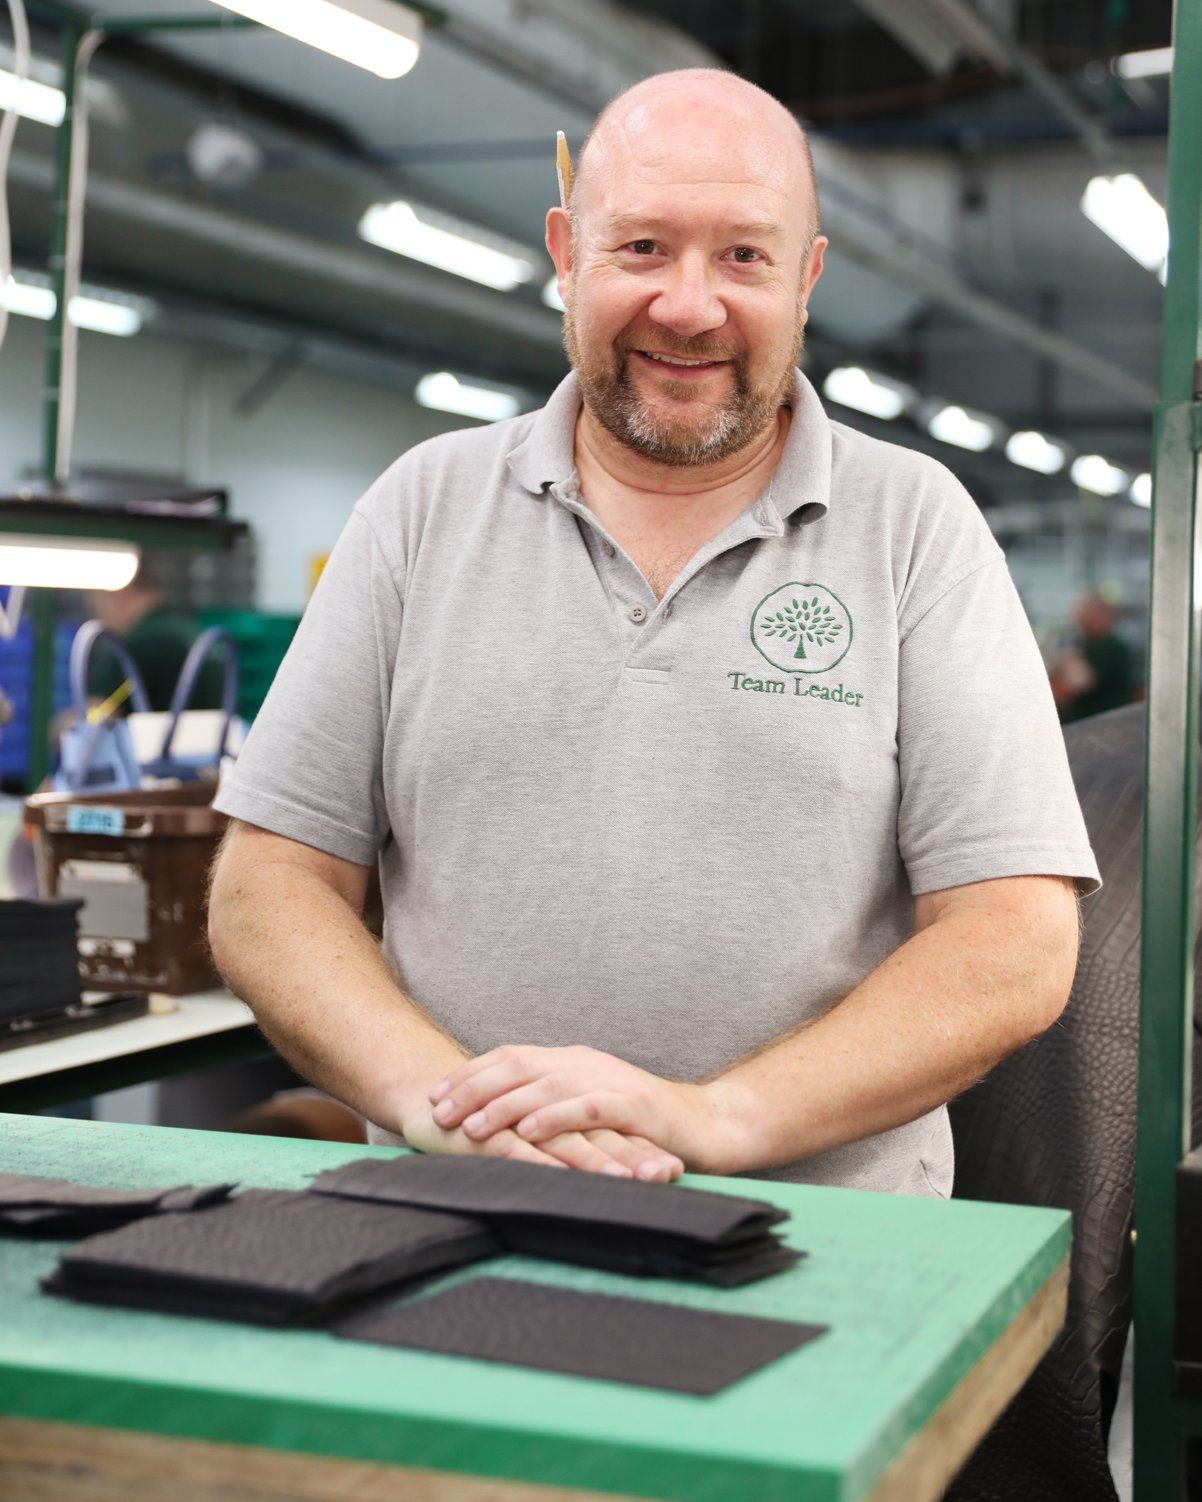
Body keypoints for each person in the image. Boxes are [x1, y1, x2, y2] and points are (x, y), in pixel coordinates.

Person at [208, 69, 1098, 1196]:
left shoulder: (914, 528)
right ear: (565, 254)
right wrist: (445, 1104)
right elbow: (269, 880)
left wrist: (712, 1117)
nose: (688, 305)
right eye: (640, 248)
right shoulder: (420, 508)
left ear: (807, 275)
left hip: (819, 1241)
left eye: (743, 256)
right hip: (453, 1208)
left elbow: (1012, 940)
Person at [86, 562, 224, 711]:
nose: (98, 615)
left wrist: (64, 724)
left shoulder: (134, 648)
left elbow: (100, 716)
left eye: (96, 605)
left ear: (121, 595)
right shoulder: (190, 630)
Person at [1051, 590, 1138, 724]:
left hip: (1102, 724)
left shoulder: (1111, 647)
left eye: (1086, 616)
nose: (1080, 621)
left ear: (1104, 616)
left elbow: (1077, 684)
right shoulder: (1087, 644)